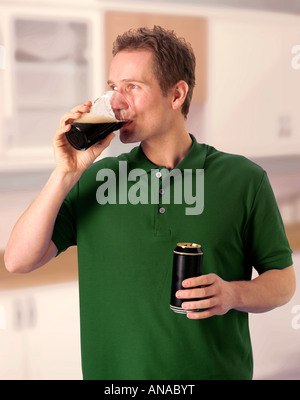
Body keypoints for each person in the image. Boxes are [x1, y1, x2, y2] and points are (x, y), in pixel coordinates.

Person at [4, 26, 295, 380]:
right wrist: (66, 172)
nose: (116, 101)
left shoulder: (244, 179)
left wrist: (233, 294)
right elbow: (18, 260)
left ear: (176, 95)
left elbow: (282, 282)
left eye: (132, 87)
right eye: (113, 87)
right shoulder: (96, 179)